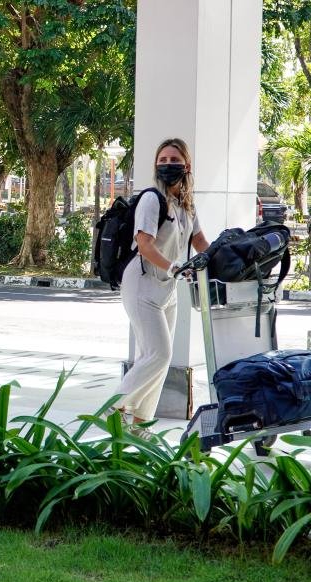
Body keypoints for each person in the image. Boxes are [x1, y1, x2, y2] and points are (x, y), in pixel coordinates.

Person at [108, 138, 210, 438]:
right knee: (160, 354)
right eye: (162, 160)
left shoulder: (186, 204)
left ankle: (140, 424)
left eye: (173, 160)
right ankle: (114, 409)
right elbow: (144, 244)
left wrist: (227, 256)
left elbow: (200, 242)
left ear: (186, 165)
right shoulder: (153, 200)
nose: (167, 165)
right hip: (141, 285)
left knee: (154, 359)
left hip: (166, 289)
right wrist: (175, 267)